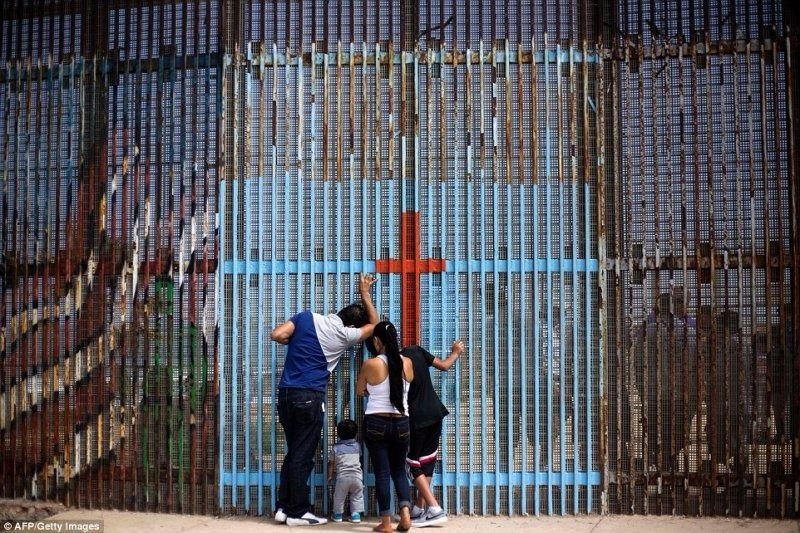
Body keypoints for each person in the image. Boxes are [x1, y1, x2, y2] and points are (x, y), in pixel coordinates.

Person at [270, 273, 378, 527]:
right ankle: (298, 512)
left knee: (294, 452)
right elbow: (374, 325)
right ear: (351, 327)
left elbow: (277, 335)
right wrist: (364, 292)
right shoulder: (344, 335)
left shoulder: (306, 317)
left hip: (285, 394)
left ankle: (283, 508)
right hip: (309, 396)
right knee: (303, 455)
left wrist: (294, 341)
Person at [356, 321, 415, 533]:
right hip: (402, 422)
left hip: (376, 422)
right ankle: (406, 515)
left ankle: (386, 523)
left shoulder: (370, 364)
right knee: (399, 470)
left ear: (376, 340)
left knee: (382, 472)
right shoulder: (407, 363)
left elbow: (360, 391)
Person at [403, 339, 464, 527]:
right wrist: (456, 352)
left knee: (412, 463)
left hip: (417, 417)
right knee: (426, 461)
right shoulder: (416, 350)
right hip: (435, 413)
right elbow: (444, 366)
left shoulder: (393, 360)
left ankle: (435, 508)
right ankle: (419, 510)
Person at [327, 419, 364, 523]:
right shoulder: (357, 446)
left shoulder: (336, 448)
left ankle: (337, 515)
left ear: (338, 433)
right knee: (357, 496)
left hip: (342, 478)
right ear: (356, 433)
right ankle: (356, 515)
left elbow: (331, 463)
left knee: (339, 497)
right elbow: (359, 458)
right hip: (357, 477)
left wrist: (330, 476)